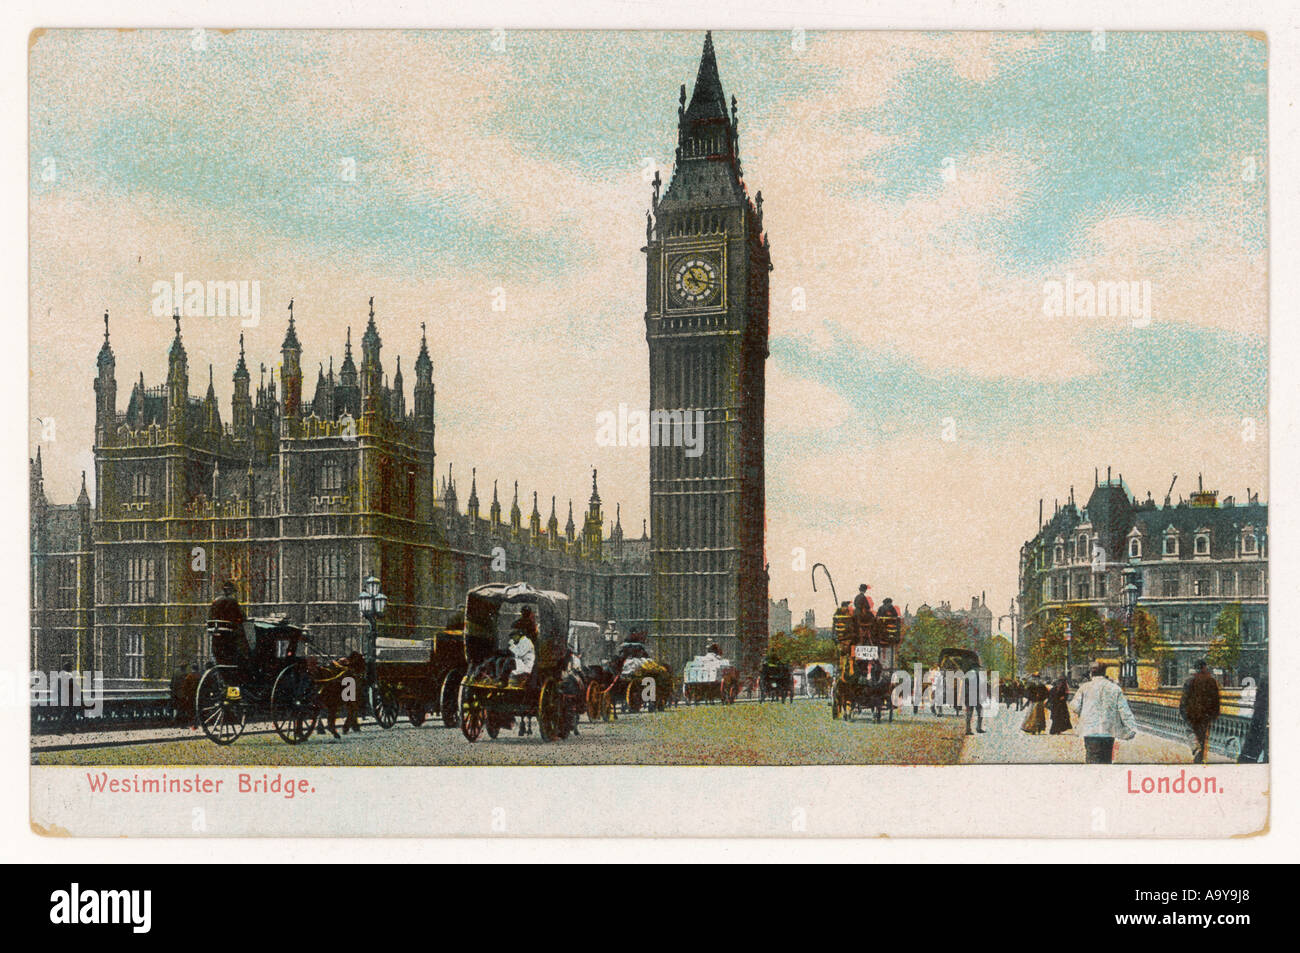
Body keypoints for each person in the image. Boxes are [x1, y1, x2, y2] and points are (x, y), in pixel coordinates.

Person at [1069, 662, 1137, 763]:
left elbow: (1074, 706)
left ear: (1091, 673)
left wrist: (1084, 712)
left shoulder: (1084, 688)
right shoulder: (1114, 688)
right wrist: (1131, 729)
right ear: (1105, 672)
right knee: (1106, 759)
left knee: (1092, 759)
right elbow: (1124, 710)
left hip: (1090, 731)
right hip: (1108, 731)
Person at [1180, 659, 1221, 764]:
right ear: (1204, 667)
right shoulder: (1211, 681)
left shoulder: (1189, 681)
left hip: (1191, 713)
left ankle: (1195, 748)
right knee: (1202, 737)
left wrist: (1183, 712)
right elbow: (1216, 700)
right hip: (1205, 714)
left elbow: (1184, 699)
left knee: (1190, 731)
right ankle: (1200, 759)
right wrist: (1215, 714)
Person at [208, 580, 249, 669]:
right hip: (230, 633)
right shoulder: (232, 602)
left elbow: (210, 616)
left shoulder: (215, 601)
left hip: (216, 632)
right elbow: (242, 616)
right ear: (230, 591)